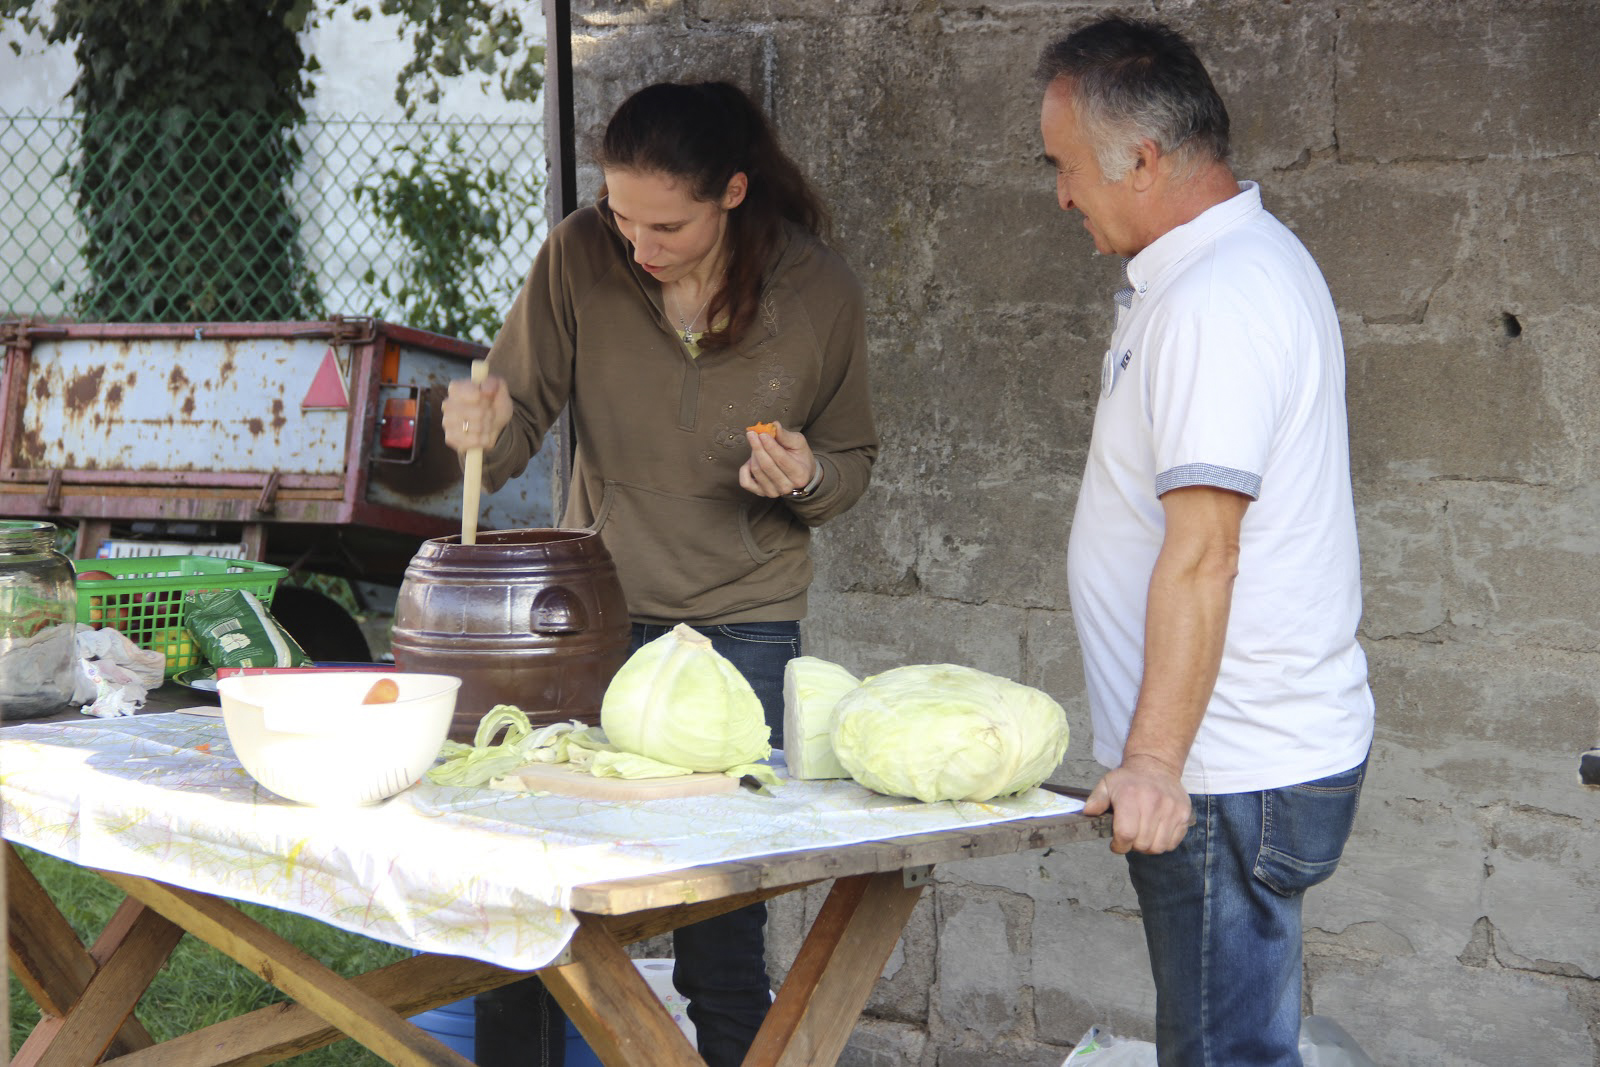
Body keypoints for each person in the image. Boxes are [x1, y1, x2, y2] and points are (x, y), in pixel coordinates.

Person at [441, 80, 877, 1067]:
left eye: (666, 223)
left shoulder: (821, 293)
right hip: (589, 619)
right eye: (619, 214)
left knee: (720, 919)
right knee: (539, 899)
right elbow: (507, 422)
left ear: (732, 191)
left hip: (743, 627)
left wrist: (807, 474)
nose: (638, 242)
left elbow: (853, 461)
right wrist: (473, 427)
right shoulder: (578, 256)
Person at [1037, 17, 1375, 1067]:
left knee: (1225, 1055)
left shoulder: (1218, 298)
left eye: (1064, 165)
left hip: (1227, 767)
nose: (1058, 193)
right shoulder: (1204, 273)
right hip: (1233, 758)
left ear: (1141, 158)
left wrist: (1151, 760)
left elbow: (1204, 551)